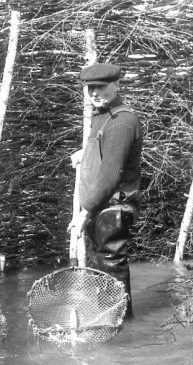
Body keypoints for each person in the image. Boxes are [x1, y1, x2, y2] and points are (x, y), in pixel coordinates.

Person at [67, 63, 143, 317]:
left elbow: (110, 176)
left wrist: (84, 212)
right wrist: (85, 152)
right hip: (99, 206)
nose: (94, 93)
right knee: (101, 273)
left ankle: (122, 330)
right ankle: (108, 322)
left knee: (111, 269)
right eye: (90, 89)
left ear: (116, 85)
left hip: (113, 208)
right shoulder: (103, 117)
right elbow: (104, 151)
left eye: (100, 87)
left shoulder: (122, 121)